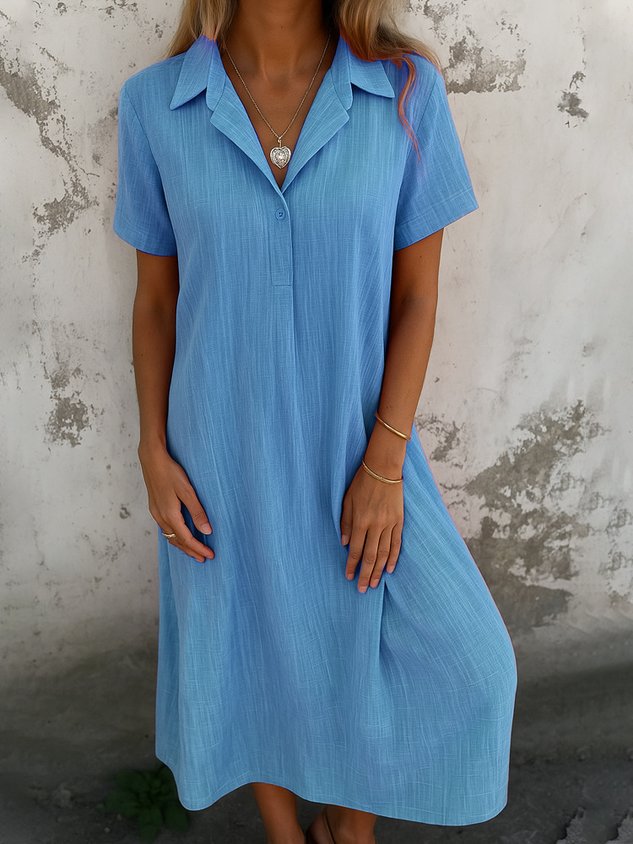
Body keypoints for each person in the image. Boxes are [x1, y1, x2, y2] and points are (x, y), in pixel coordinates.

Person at [112, 1, 518, 842]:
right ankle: (285, 832)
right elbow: (155, 301)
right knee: (249, 646)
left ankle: (348, 826)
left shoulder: (403, 91)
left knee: (470, 663)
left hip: (357, 447)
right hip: (217, 453)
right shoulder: (156, 103)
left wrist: (384, 464)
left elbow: (416, 298)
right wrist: (151, 449)